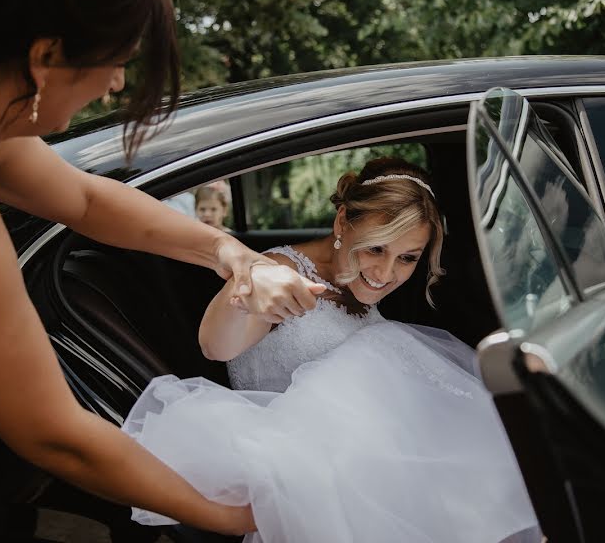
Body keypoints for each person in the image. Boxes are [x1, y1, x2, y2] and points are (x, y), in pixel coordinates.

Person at [0, 0, 324, 535]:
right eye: (117, 60)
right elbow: (53, 434)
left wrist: (230, 252)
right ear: (46, 55)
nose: (118, 84)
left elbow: (87, 200)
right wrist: (236, 516)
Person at [123, 158, 541, 542]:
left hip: (377, 473)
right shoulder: (281, 273)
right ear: (343, 220)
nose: (385, 273)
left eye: (407, 258)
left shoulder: (360, 287)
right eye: (375, 247)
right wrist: (245, 286)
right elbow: (216, 345)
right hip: (319, 487)